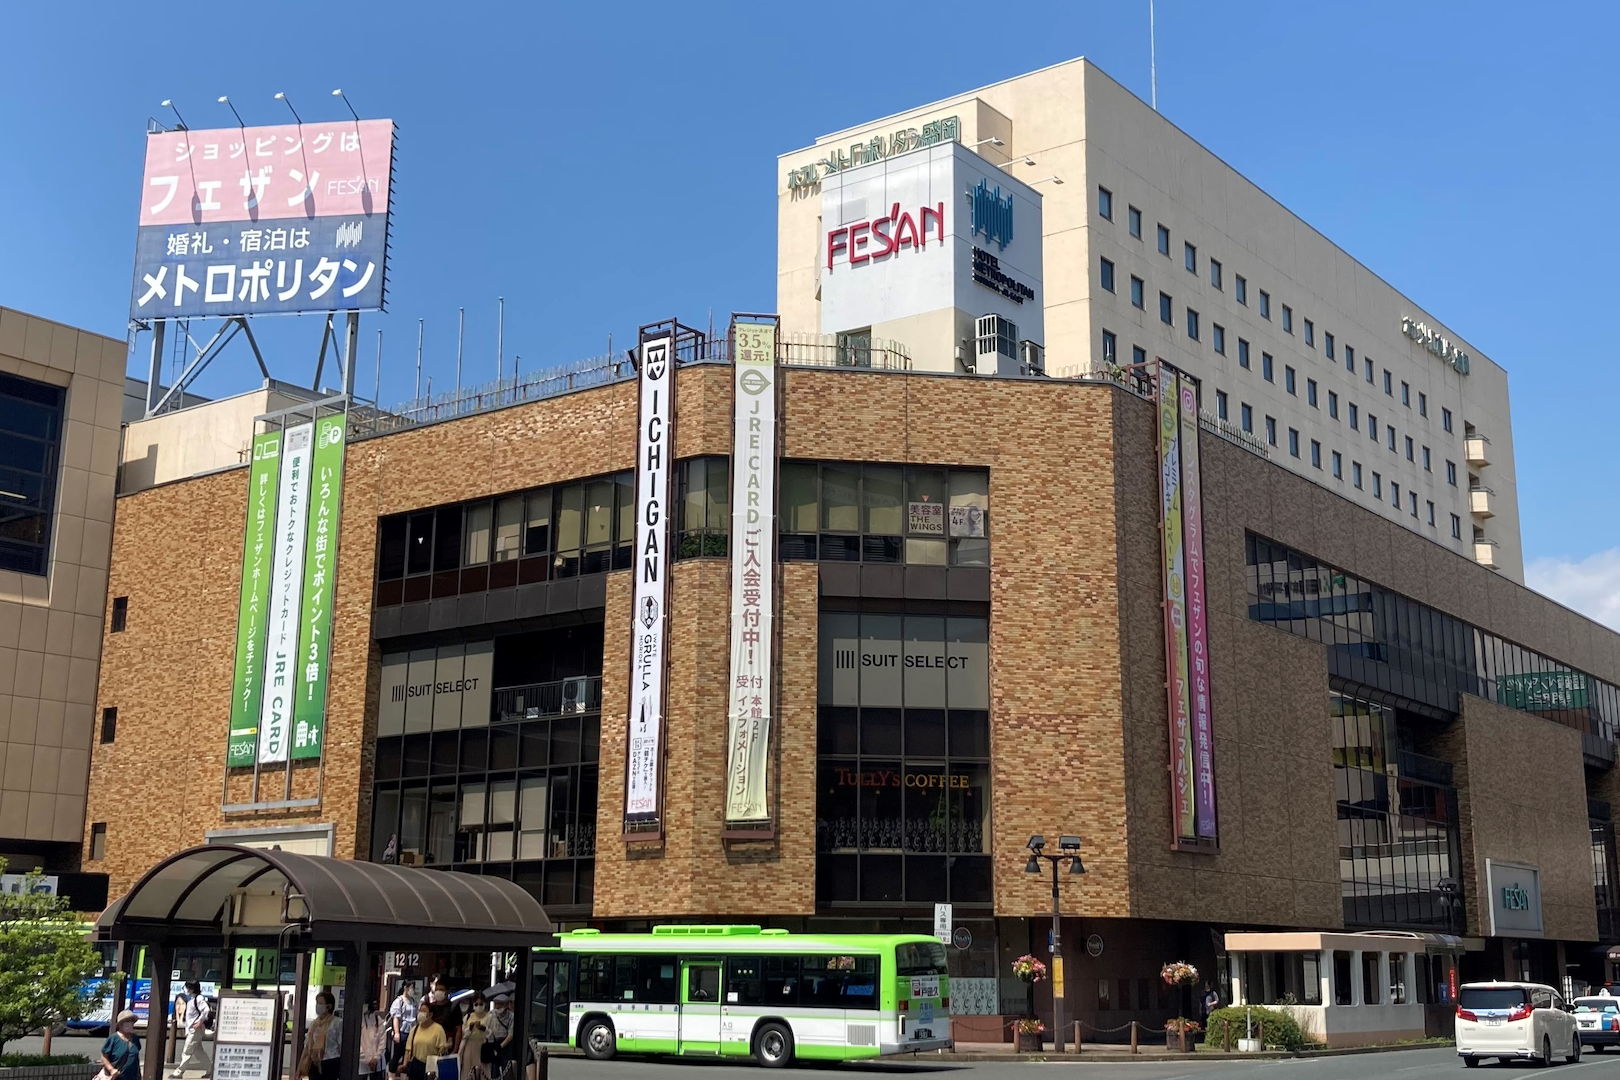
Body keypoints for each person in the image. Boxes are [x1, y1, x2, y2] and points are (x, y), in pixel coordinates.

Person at [398, 998, 449, 1080]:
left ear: (430, 1014)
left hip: (431, 1066)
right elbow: (408, 1050)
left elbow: (442, 1050)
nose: (420, 1013)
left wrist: (446, 1047)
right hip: (415, 1065)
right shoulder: (415, 1029)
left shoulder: (438, 1029)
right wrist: (404, 1064)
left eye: (424, 1011)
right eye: (420, 1010)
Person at [171, 981, 212, 1078]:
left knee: (187, 1051)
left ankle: (179, 1072)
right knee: (198, 1052)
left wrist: (199, 1022)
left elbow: (206, 1010)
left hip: (195, 1030)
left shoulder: (198, 998)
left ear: (193, 988)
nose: (187, 989)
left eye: (189, 987)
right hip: (193, 1029)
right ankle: (210, 1069)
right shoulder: (193, 999)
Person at [299, 992, 342, 1080]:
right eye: (317, 1003)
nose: (318, 1006)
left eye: (321, 1003)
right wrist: (300, 1066)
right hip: (314, 1062)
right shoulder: (314, 1023)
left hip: (331, 1061)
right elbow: (307, 1045)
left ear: (329, 1006)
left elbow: (341, 1044)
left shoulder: (337, 1022)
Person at [101, 1011, 142, 1080]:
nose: (129, 1024)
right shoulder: (113, 1038)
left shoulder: (135, 1038)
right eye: (126, 1021)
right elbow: (104, 1056)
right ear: (120, 1024)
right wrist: (111, 1069)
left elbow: (135, 1058)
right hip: (117, 1077)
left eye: (131, 1021)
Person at [388, 981, 418, 1072]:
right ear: (406, 988)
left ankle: (404, 1074)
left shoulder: (413, 1001)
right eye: (411, 988)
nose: (412, 990)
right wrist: (397, 1033)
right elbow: (396, 1018)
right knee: (398, 1054)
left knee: (408, 1054)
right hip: (402, 1031)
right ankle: (392, 1073)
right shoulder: (399, 1001)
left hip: (412, 1031)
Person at [482, 994, 514, 1079]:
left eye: (500, 1004)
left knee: (506, 1067)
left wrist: (501, 1046)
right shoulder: (491, 1014)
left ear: (506, 1004)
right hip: (493, 1042)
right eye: (496, 1004)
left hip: (505, 1044)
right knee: (493, 1068)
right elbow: (486, 1029)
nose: (498, 1006)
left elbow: (511, 1034)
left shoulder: (511, 1016)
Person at [360, 999, 390, 1080]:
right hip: (361, 1063)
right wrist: (369, 1060)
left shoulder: (378, 1020)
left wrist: (376, 1058)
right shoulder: (359, 1021)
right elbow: (358, 1044)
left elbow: (382, 1042)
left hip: (377, 1063)